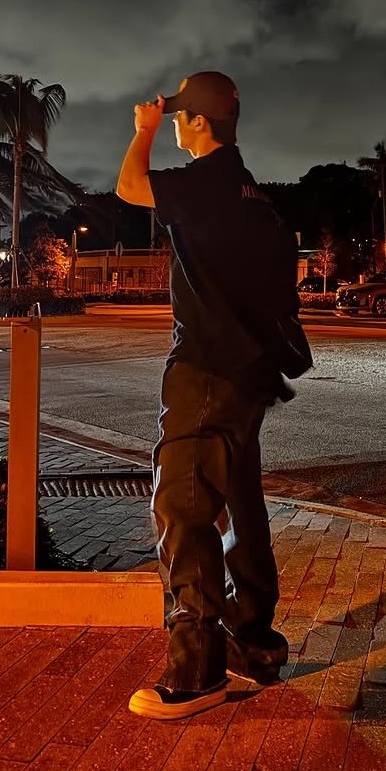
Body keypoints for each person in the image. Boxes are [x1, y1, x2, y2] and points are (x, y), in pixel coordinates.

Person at [116, 71, 312, 720]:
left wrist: (142, 131)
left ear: (199, 122)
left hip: (204, 369)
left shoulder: (204, 184)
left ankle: (197, 663)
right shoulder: (255, 197)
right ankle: (254, 643)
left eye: (177, 115)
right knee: (239, 504)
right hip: (250, 378)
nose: (171, 124)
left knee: (184, 503)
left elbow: (129, 186)